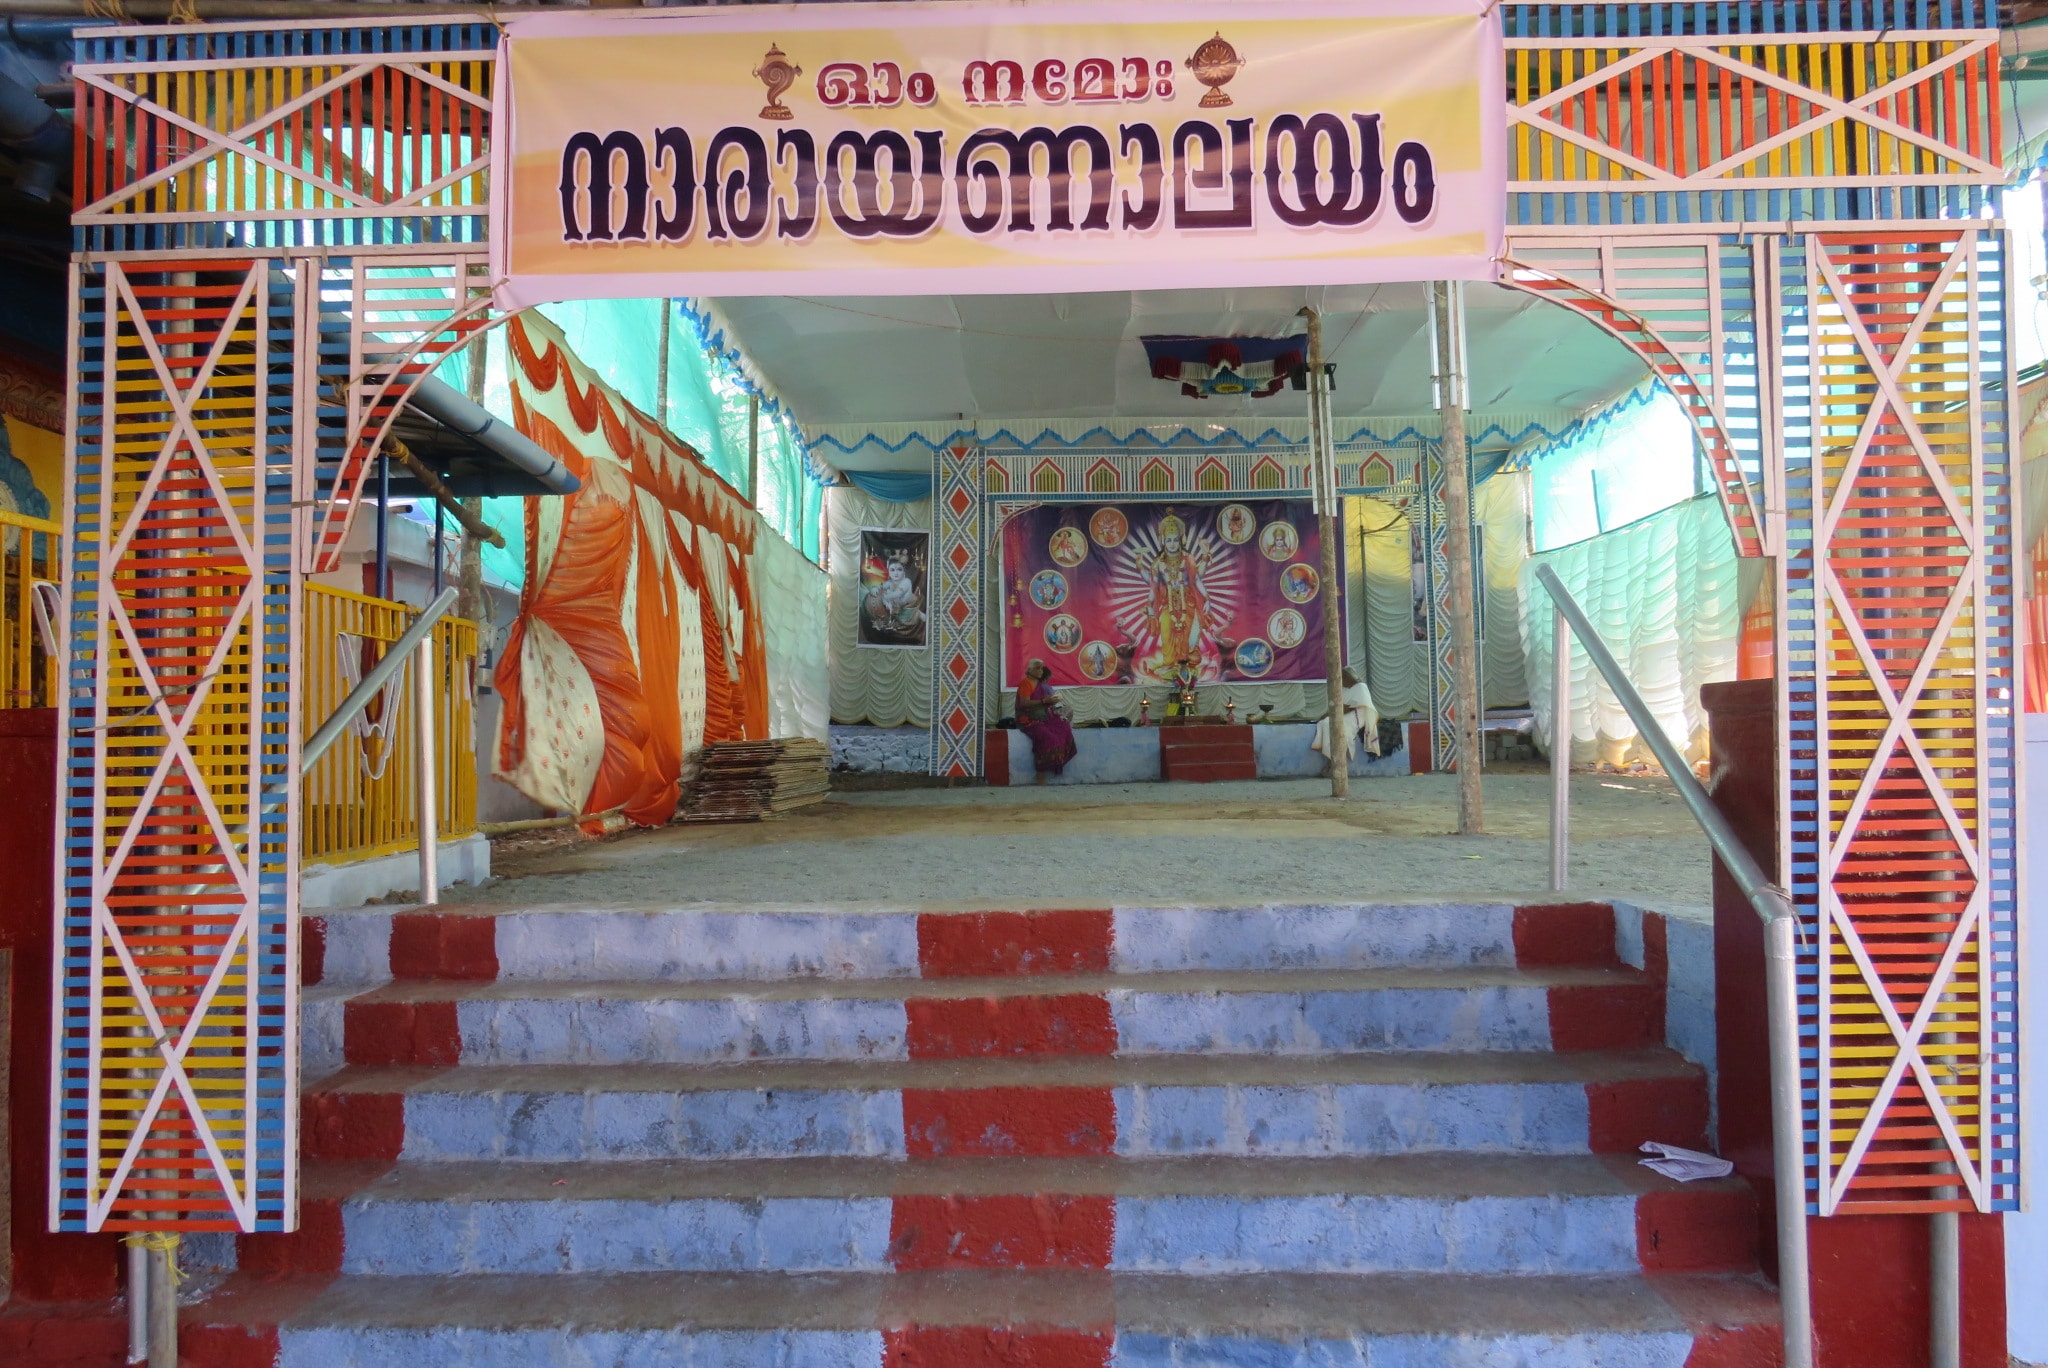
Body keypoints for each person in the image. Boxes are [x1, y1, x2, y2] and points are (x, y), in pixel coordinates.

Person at [1014, 658, 1078, 782]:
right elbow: (1024, 703)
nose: (1040, 670)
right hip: (1028, 720)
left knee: (1064, 727)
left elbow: (1042, 705)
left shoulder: (1041, 686)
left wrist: (1051, 702)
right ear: (1030, 670)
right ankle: (1040, 773)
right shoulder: (1026, 683)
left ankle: (1057, 763)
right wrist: (1044, 701)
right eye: (1037, 668)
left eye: (1042, 668)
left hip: (1044, 718)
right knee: (1047, 737)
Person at [1310, 667, 1381, 775]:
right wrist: (1325, 715)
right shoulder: (1344, 689)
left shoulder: (1361, 687)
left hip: (1357, 715)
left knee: (1337, 727)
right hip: (1342, 714)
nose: (1342, 681)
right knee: (1324, 723)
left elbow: (1350, 707)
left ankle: (1336, 765)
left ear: (1349, 677)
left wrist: (1332, 714)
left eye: (1343, 679)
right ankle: (1331, 761)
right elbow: (1338, 705)